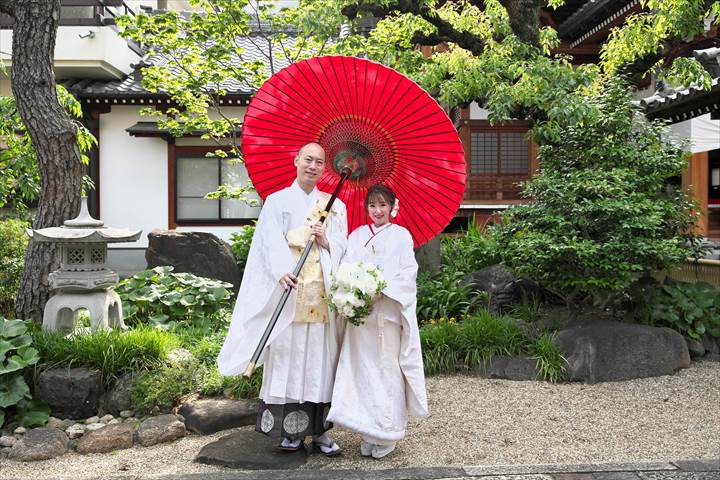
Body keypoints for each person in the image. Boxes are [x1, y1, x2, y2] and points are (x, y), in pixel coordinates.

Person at [218, 143, 347, 455]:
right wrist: (280, 272)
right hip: (291, 289)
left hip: (321, 293)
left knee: (319, 360)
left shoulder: (334, 205)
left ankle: (320, 433)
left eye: (319, 162)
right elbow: (266, 243)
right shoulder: (276, 202)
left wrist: (326, 239)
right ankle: (290, 432)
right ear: (296, 160)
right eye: (308, 159)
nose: (313, 166)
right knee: (289, 359)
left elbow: (344, 245)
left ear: (324, 168)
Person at [327, 184, 428, 459]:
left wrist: (381, 290)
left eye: (383, 205)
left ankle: (387, 430)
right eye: (372, 205)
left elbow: (408, 272)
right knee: (360, 372)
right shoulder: (357, 235)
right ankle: (367, 430)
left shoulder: (401, 236)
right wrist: (354, 292)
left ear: (393, 207)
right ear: (366, 208)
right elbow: (344, 267)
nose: (378, 210)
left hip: (387, 313)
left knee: (387, 371)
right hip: (361, 316)